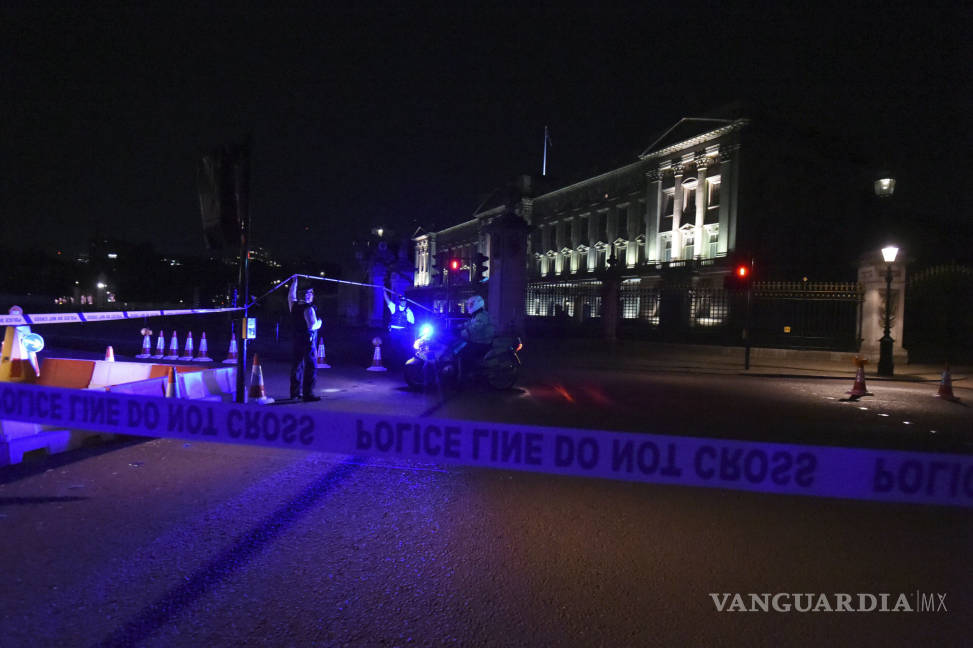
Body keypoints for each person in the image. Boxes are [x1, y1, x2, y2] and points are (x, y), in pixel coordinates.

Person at [288, 277, 322, 401]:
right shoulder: (309, 308)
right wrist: (320, 323)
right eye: (310, 293)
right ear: (308, 295)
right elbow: (312, 325)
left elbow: (291, 295)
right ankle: (308, 394)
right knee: (311, 366)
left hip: (296, 340)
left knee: (297, 366)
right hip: (308, 341)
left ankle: (295, 393)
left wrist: (294, 282)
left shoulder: (294, 305)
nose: (311, 295)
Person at [456, 294, 494, 377]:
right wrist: (458, 326)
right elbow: (469, 323)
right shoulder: (477, 315)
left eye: (471, 304)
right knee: (460, 348)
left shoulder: (482, 316)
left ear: (477, 304)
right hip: (477, 341)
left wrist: (461, 333)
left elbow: (475, 328)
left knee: (462, 354)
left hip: (482, 343)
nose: (469, 306)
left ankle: (464, 378)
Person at [383, 289, 415, 367]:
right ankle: (391, 364)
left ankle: (403, 365)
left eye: (405, 301)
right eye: (402, 301)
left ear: (406, 302)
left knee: (403, 348)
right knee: (392, 348)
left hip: (403, 332)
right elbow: (387, 300)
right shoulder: (394, 307)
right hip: (393, 332)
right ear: (400, 301)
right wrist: (383, 290)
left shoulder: (409, 311)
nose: (403, 302)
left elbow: (412, 322)